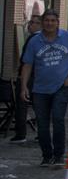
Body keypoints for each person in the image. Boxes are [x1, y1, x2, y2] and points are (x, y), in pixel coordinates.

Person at [20, 10, 68, 167]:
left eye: (52, 20)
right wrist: (23, 87)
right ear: (42, 22)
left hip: (61, 87)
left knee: (58, 119)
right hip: (40, 89)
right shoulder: (35, 41)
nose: (49, 23)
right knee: (42, 124)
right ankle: (46, 155)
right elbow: (27, 65)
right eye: (46, 20)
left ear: (57, 22)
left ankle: (58, 155)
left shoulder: (67, 37)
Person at [10, 14, 41, 144]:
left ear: (39, 24)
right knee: (38, 107)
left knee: (22, 105)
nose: (29, 25)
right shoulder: (44, 39)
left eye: (32, 23)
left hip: (29, 77)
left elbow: (26, 60)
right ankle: (41, 133)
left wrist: (22, 75)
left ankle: (21, 133)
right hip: (38, 77)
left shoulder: (33, 39)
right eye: (29, 22)